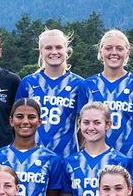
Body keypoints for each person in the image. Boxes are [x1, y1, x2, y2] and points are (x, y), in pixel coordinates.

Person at [59, 102, 132, 196]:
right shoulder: (70, 162)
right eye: (86, 122)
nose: (91, 127)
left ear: (108, 124)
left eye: (97, 122)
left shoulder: (122, 161)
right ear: (79, 124)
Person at [75, 29, 133, 156]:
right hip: (95, 156)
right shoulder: (87, 85)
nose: (114, 53)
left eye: (119, 48)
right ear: (100, 51)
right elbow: (81, 127)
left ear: (127, 52)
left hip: (128, 157)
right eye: (108, 48)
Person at [15, 28, 84, 157]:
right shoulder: (28, 83)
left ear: (66, 50)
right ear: (41, 51)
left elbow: (85, 124)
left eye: (58, 47)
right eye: (48, 48)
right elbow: (17, 122)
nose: (54, 52)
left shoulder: (79, 84)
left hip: (66, 156)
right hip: (32, 155)